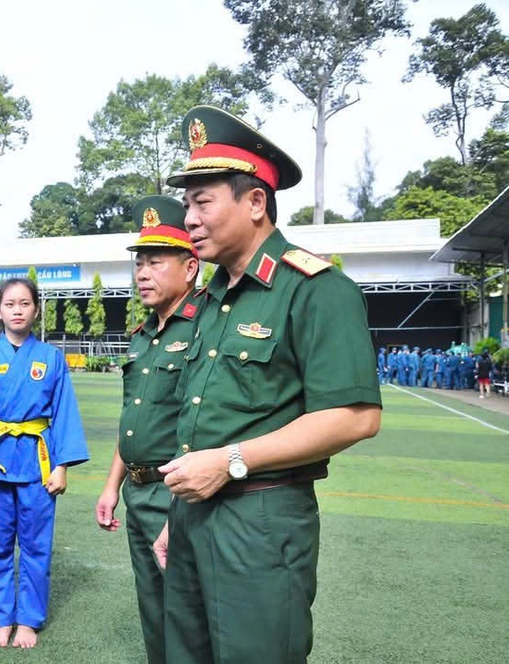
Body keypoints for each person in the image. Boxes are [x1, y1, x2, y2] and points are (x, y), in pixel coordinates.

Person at [155, 106, 382, 664]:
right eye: (188, 205)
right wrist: (175, 518)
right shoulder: (209, 300)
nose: (189, 219)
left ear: (255, 202)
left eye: (203, 202)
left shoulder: (315, 289)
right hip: (191, 515)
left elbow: (356, 416)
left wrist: (230, 461)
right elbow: (206, 415)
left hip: (259, 519)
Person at [0, 278, 89, 649]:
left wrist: (61, 466)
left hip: (37, 461)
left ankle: (28, 619)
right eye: (9, 304)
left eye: (24, 303)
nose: (17, 309)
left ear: (35, 309)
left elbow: (63, 414)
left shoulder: (51, 358)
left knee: (35, 545)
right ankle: (0, 617)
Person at [94, 195, 202, 664]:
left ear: (190, 268)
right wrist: (111, 486)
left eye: (156, 262)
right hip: (139, 493)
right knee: (153, 606)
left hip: (178, 491)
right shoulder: (141, 335)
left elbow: (204, 425)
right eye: (140, 263)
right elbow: (131, 420)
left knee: (185, 608)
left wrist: (178, 505)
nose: (142, 273)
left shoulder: (204, 330)